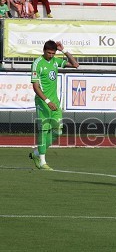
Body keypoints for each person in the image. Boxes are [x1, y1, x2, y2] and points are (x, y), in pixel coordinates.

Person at [29, 41, 79, 170]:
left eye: (53, 53)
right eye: (49, 53)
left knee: (58, 131)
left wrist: (64, 50)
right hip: (43, 102)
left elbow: (75, 64)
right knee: (44, 130)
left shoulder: (56, 61)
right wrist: (47, 102)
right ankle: (42, 161)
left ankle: (36, 153)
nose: (51, 55)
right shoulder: (37, 63)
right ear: (44, 50)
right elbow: (35, 87)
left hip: (55, 102)